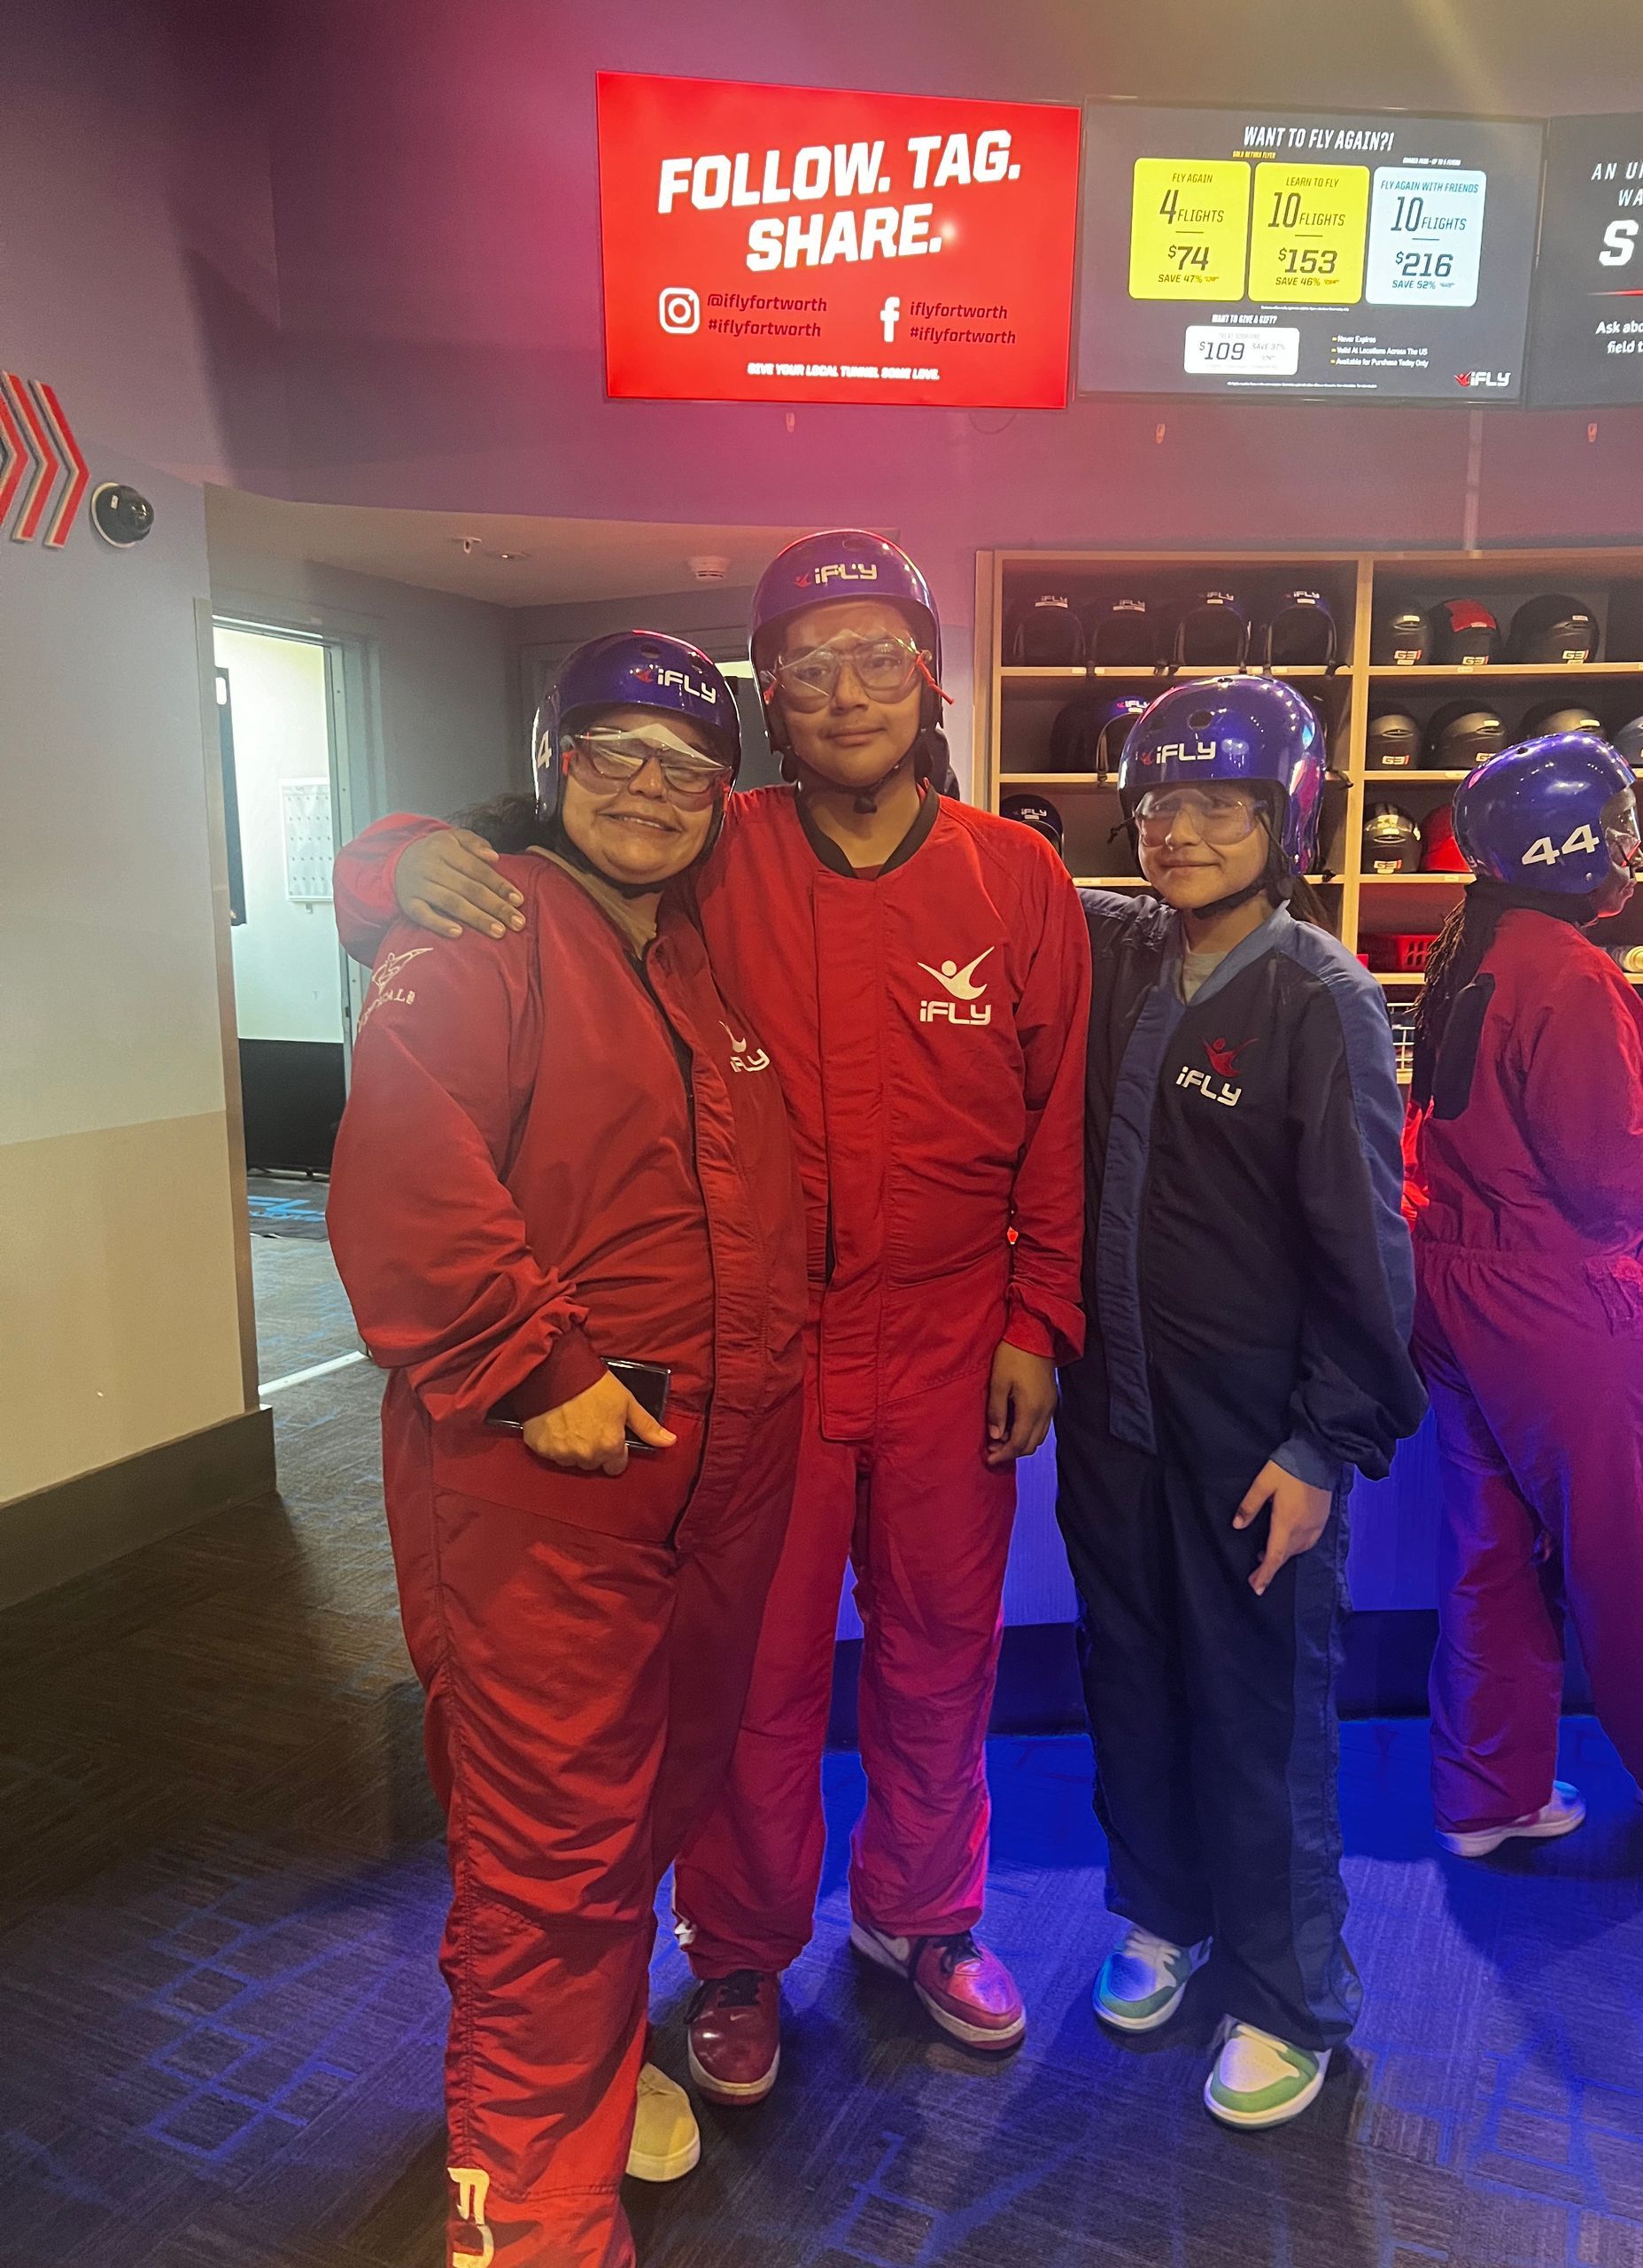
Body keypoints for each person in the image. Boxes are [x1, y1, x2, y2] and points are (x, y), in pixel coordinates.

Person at [331, 531, 1090, 2105]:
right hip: (772, 1351)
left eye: (878, 655)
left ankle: (923, 1918)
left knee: (946, 1651)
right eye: (804, 667)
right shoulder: (710, 840)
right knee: (750, 1672)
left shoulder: (1014, 877)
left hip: (956, 1341)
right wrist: (386, 861)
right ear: (773, 702)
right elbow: (512, 854)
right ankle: (739, 1951)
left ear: (929, 677)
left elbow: (1059, 1125)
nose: (846, 691)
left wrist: (1042, 1315)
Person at [327, 632, 805, 2268]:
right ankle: (526, 2224)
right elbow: (403, 1157)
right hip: (544, 1486)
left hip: (701, 1486)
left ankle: (588, 2087)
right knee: (549, 1867)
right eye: (614, 756)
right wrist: (534, 1365)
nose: (653, 791)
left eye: (687, 767)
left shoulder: (687, 957)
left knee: (634, 1821)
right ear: (553, 768)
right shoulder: (484, 930)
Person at [1052, 675, 1425, 2130]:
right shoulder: (1109, 948)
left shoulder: (1319, 999)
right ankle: (1164, 1914)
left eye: (1221, 805)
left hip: (1256, 1443)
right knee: (1131, 1680)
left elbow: (1366, 1252)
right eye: (1160, 802)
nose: (1181, 831)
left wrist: (1323, 1445)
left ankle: (1290, 1997)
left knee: (1263, 1715)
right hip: (1115, 1424)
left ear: (1286, 819)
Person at [1407, 731, 1643, 1857]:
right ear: (1578, 840)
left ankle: (1492, 1790)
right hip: (1557, 1301)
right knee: (1622, 1554)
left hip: (1461, 1286)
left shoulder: (1482, 949)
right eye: (1619, 822)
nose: (1632, 844)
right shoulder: (1574, 970)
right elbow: (1609, 1169)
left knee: (1491, 1547)